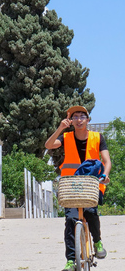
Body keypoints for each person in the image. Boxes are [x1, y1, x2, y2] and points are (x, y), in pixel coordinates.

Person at [45, 106, 111, 271]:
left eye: (82, 116)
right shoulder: (66, 136)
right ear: (71, 121)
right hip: (71, 186)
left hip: (91, 184)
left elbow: (106, 160)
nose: (79, 119)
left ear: (88, 120)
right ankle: (71, 260)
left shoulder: (98, 137)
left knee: (90, 212)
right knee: (70, 221)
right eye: (75, 117)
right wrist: (60, 127)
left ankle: (97, 241)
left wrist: (105, 175)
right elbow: (49, 144)